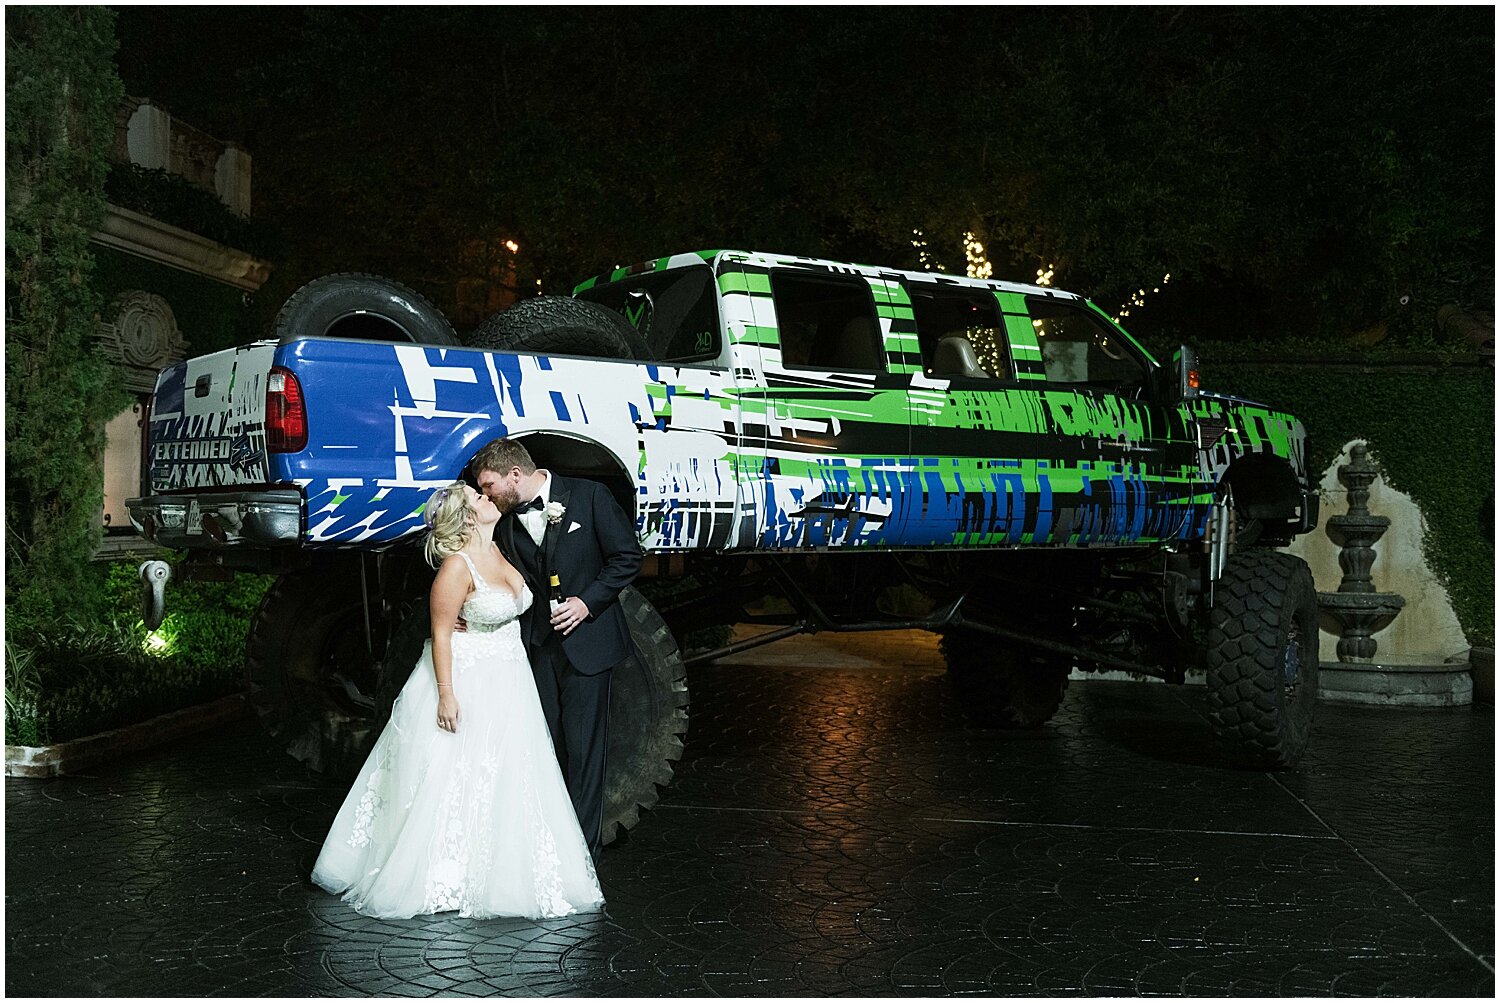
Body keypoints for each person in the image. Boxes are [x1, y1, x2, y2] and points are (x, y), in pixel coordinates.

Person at [311, 482, 603, 919]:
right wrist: (446, 695)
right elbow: (442, 633)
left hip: (509, 675)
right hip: (468, 676)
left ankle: (506, 868)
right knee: (454, 773)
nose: (489, 499)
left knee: (508, 771)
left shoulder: (501, 548)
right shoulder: (455, 568)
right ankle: (448, 872)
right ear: (468, 517)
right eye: (480, 499)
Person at [470, 438, 642, 857]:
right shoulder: (504, 521)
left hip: (589, 647)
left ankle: (581, 856)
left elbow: (627, 557)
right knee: (542, 748)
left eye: (489, 484)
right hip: (535, 649)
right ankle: (542, 849)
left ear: (515, 475)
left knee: (585, 753)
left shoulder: (590, 496)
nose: (485, 493)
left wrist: (587, 603)